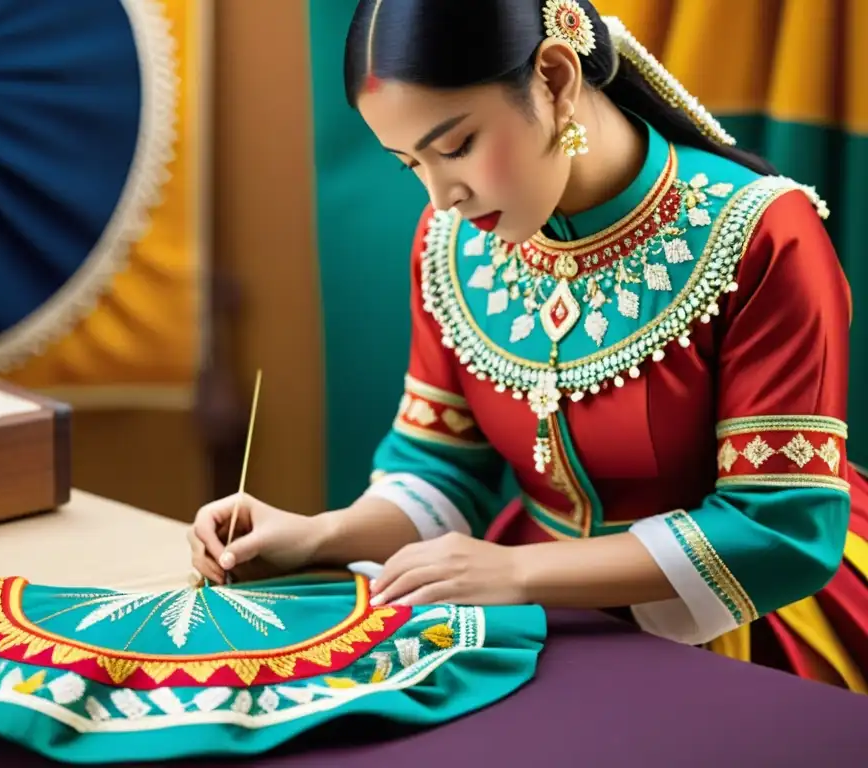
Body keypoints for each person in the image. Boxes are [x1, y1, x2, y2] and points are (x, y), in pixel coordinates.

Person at [189, 0, 868, 691]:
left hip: (749, 620)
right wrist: (318, 536)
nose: (442, 194)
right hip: (535, 608)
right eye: (409, 164)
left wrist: (517, 571)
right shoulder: (451, 243)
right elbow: (442, 466)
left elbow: (778, 527)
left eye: (455, 147)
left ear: (554, 78)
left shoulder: (760, 233)